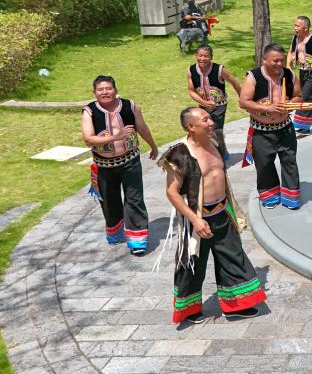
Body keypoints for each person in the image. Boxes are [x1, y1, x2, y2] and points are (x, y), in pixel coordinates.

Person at [160, 107, 266, 323]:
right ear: (191, 126)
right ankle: (189, 310)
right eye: (205, 120)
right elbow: (172, 192)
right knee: (192, 264)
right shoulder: (178, 155)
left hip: (222, 211)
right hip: (197, 219)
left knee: (233, 257)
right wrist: (195, 220)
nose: (211, 123)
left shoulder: (216, 141)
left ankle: (235, 306)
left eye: (209, 118)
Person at [81, 75, 158, 256]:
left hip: (130, 161)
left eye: (108, 88)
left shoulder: (130, 106)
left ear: (115, 90)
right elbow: (88, 139)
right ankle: (115, 231)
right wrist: (115, 137)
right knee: (109, 201)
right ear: (94, 92)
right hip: (103, 165)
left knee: (134, 199)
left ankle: (137, 240)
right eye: (100, 89)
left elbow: (142, 128)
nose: (105, 92)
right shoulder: (89, 111)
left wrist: (153, 146)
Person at [238, 44, 303, 209]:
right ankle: (270, 196)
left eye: (281, 60)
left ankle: (291, 198)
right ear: (264, 60)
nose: (279, 64)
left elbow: (298, 96)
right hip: (261, 130)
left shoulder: (289, 75)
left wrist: (289, 103)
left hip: (285, 128)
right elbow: (243, 102)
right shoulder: (253, 77)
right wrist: (268, 108)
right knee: (264, 164)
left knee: (289, 161)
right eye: (275, 61)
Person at [187, 45, 242, 160]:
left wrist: (242, 99)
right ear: (196, 56)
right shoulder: (191, 70)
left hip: (219, 106)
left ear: (211, 57)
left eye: (206, 56)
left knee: (216, 129)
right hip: (203, 106)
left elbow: (234, 82)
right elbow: (191, 91)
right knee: (202, 129)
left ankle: (221, 154)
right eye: (200, 55)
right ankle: (212, 151)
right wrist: (203, 102)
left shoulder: (219, 70)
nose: (202, 59)